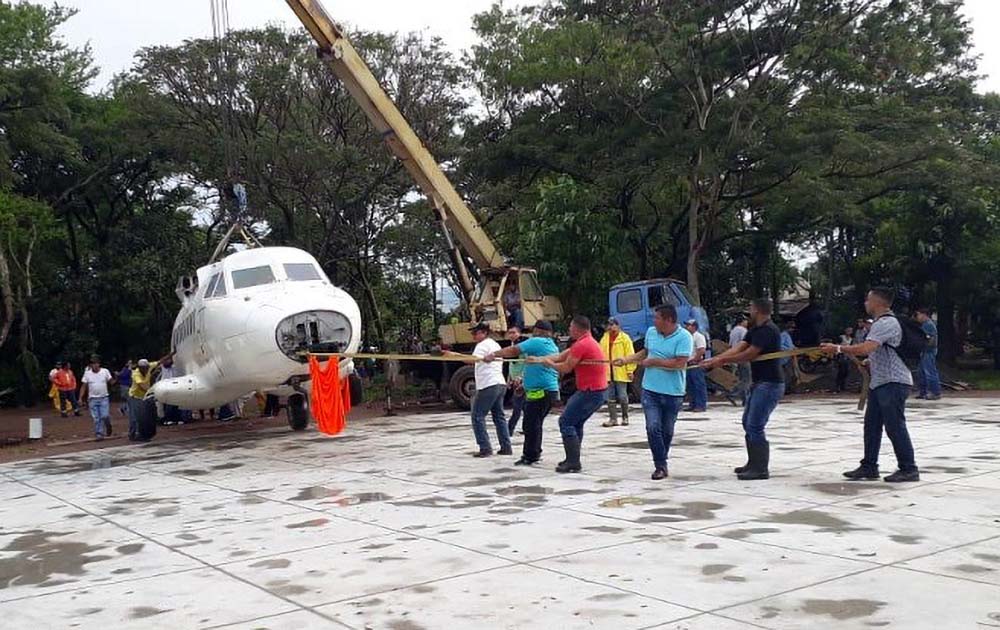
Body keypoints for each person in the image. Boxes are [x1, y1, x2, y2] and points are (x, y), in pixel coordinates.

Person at [821, 287, 919, 483]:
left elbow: (867, 347)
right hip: (880, 382)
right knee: (872, 426)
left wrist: (838, 348)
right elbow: (879, 351)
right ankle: (869, 466)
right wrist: (870, 362)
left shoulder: (886, 323)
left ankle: (909, 468)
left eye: (868, 299)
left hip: (892, 382)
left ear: (878, 303)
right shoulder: (879, 324)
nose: (866, 303)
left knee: (895, 426)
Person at [701, 299, 784, 481]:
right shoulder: (755, 329)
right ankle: (752, 463)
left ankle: (760, 469)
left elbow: (750, 354)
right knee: (748, 422)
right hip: (760, 382)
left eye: (751, 309)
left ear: (758, 310)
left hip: (770, 383)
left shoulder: (768, 330)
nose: (749, 312)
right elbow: (739, 347)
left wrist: (721, 362)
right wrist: (715, 360)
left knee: (755, 424)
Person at [616, 305, 692, 480]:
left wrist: (656, 362)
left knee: (667, 430)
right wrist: (626, 360)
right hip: (650, 390)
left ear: (669, 320)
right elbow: (645, 352)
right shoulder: (651, 332)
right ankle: (660, 465)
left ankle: (661, 459)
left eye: (657, 318)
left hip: (673, 392)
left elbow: (680, 363)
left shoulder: (684, 337)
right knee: (652, 427)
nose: (654, 321)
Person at [534, 315, 607, 473]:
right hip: (595, 391)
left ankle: (573, 462)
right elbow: (561, 356)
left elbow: (566, 367)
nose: (569, 329)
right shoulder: (586, 342)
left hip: (590, 391)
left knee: (565, 421)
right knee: (576, 423)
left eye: (571, 327)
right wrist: (539, 359)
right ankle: (572, 459)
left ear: (578, 329)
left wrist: (549, 365)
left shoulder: (582, 345)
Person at [485, 320, 560, 465]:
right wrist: (525, 385)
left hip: (541, 391)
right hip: (545, 390)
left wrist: (493, 355)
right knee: (534, 423)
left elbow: (514, 351)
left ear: (538, 330)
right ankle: (534, 452)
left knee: (531, 423)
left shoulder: (537, 341)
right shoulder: (550, 344)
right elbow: (535, 370)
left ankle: (530, 456)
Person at [464, 322, 511, 457]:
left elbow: (472, 360)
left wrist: (454, 356)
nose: (473, 336)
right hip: (500, 383)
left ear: (484, 333)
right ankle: (506, 447)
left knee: (477, 416)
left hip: (488, 385)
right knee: (499, 416)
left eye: (475, 333)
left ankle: (485, 448)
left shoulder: (482, 345)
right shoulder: (495, 345)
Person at [599, 317, 636, 427]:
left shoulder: (625, 338)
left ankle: (625, 417)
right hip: (608, 372)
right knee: (610, 396)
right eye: (609, 325)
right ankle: (613, 419)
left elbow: (630, 355)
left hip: (621, 371)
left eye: (612, 324)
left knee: (622, 396)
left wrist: (630, 370)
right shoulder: (604, 339)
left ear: (618, 325)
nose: (610, 327)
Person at [128, 353, 172, 441]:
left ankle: (143, 434)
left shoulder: (149, 367)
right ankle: (132, 434)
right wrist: (152, 391)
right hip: (135, 397)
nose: (146, 369)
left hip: (145, 396)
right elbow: (142, 386)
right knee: (135, 417)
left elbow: (160, 361)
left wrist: (172, 353)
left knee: (145, 416)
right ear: (140, 368)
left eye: (147, 367)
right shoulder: (135, 374)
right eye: (144, 368)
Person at [80, 355, 115, 440]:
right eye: (92, 363)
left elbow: (111, 381)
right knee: (96, 418)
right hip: (92, 398)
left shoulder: (105, 371)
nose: (94, 365)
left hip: (103, 397)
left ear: (99, 364)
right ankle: (99, 433)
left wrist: (116, 378)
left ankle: (108, 425)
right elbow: (84, 386)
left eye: (96, 363)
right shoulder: (87, 374)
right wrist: (80, 398)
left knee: (105, 415)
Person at [503, 325, 527, 436]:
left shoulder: (523, 347)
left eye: (513, 332)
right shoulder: (512, 346)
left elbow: (526, 363)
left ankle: (509, 430)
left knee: (517, 407)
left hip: (522, 381)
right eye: (509, 333)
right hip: (514, 380)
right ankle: (527, 428)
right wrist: (509, 378)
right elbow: (511, 364)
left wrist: (521, 377)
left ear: (519, 333)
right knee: (524, 407)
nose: (511, 335)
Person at [915, 308, 942, 400]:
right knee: (921, 372)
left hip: (928, 351)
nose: (917, 317)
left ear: (924, 315)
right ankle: (923, 392)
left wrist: (924, 345)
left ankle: (935, 392)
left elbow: (931, 339)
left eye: (918, 314)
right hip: (924, 351)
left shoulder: (929, 325)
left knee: (930, 371)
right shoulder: (924, 325)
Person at [683, 319, 708, 412]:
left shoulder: (699, 336)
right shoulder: (688, 337)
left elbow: (701, 350)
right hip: (688, 365)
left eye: (688, 325)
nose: (686, 327)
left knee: (698, 386)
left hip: (695, 365)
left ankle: (701, 405)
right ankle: (692, 404)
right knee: (690, 386)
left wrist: (694, 359)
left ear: (694, 327)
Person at [729, 316, 750, 405]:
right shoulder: (743, 330)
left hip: (736, 356)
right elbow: (746, 343)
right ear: (742, 322)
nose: (747, 323)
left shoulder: (733, 331)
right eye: (746, 321)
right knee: (747, 379)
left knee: (742, 378)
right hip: (744, 356)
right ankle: (734, 394)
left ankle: (745, 399)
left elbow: (730, 345)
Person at [157, 356, 184, 425]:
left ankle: (178, 419)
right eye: (167, 360)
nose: (168, 361)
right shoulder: (163, 367)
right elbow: (163, 362)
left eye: (169, 360)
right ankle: (168, 419)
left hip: (174, 386)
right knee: (168, 405)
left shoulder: (175, 367)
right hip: (166, 387)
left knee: (176, 404)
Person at [835, 326, 855, 393]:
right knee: (841, 371)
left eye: (850, 331)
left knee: (846, 371)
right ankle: (838, 386)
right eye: (848, 330)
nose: (849, 332)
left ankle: (843, 386)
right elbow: (837, 346)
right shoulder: (841, 337)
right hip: (841, 355)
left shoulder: (851, 339)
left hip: (847, 356)